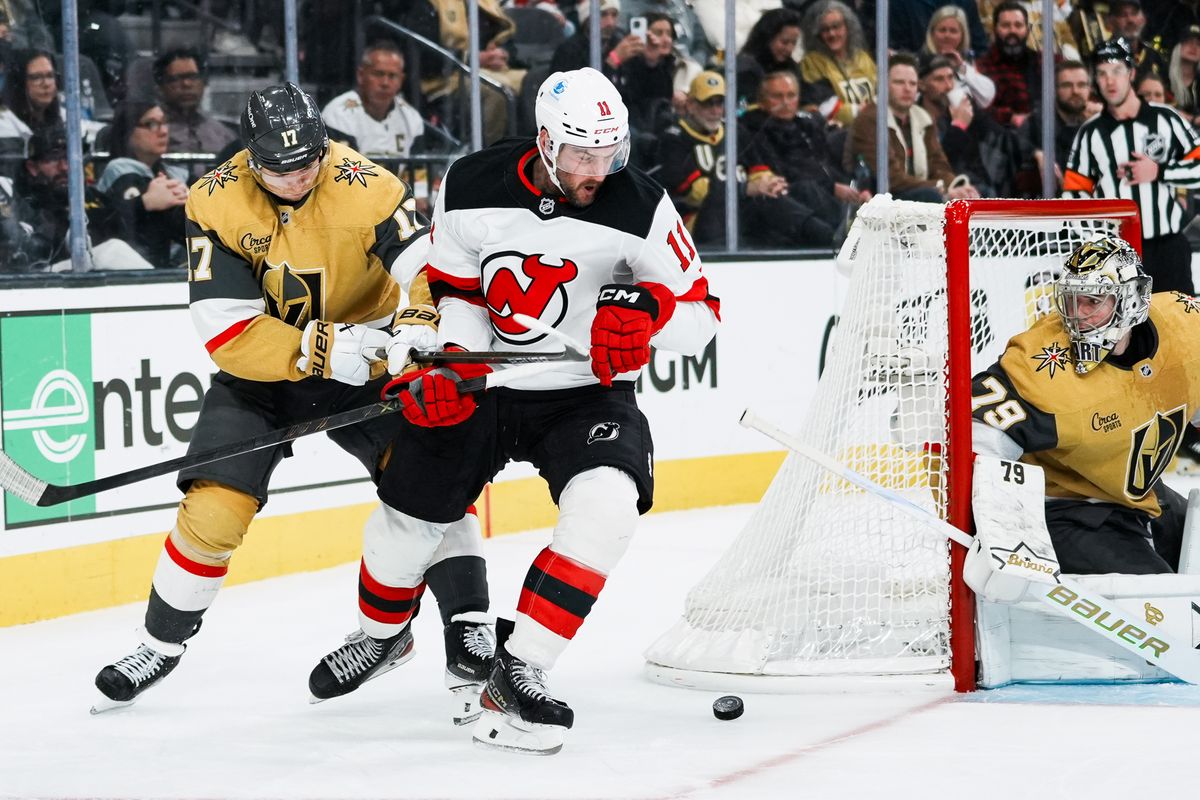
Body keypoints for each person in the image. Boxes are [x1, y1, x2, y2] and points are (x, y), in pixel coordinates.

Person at [91, 83, 495, 719]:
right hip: (267, 369)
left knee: (432, 481)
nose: (298, 177)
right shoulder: (215, 200)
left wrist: (418, 324)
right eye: (280, 168)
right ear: (251, 158)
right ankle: (158, 645)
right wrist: (323, 348)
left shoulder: (369, 186)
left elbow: (429, 268)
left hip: (372, 361)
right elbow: (227, 330)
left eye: (308, 161)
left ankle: (466, 624)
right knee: (214, 507)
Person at [355, 66, 719, 754]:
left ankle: (519, 668)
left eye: (610, 153)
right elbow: (457, 289)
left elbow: (702, 316)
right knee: (405, 527)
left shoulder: (642, 205)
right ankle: (382, 634)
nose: (598, 170)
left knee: (607, 507)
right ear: (546, 142)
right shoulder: (470, 183)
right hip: (488, 386)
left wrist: (648, 313)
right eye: (583, 154)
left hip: (586, 394)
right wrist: (454, 361)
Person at [970, 236, 1192, 575]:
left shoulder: (1185, 327)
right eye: (1072, 300)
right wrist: (1000, 534)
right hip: (1066, 510)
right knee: (1166, 599)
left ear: (1131, 299)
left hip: (1136, 495)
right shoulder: (1041, 368)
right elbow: (972, 439)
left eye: (1092, 301)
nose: (1077, 315)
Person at [1062, 38, 1200, 296]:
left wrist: (1160, 171)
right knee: (1126, 322)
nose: (1110, 81)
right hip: (1118, 256)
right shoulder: (1090, 133)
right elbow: (1073, 194)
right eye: (1102, 73)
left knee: (1180, 319)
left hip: (1168, 248)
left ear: (1131, 74)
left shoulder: (1166, 119)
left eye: (1116, 71)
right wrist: (1095, 237)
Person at [657, 70, 854, 249]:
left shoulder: (735, 131)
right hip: (697, 219)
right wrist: (746, 188)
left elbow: (759, 170)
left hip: (742, 208)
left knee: (799, 190)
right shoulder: (674, 138)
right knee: (761, 202)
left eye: (720, 103)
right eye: (708, 104)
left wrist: (769, 184)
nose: (715, 110)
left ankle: (841, 232)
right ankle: (830, 239)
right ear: (691, 105)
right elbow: (695, 193)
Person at [739, 70, 869, 245]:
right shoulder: (754, 129)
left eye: (791, 95)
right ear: (762, 101)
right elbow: (781, 171)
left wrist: (854, 190)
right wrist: (831, 187)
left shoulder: (807, 125)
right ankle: (844, 232)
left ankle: (857, 222)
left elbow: (827, 163)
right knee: (807, 189)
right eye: (777, 96)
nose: (785, 102)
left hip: (826, 193)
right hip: (789, 196)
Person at [321, 41, 441, 214]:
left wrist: (419, 200)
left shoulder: (411, 117)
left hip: (397, 203)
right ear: (361, 75)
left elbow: (418, 174)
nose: (385, 82)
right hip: (350, 202)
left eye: (392, 76)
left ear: (401, 80)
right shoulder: (337, 113)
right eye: (378, 74)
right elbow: (340, 175)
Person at [845, 53, 980, 203]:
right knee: (930, 196)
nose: (907, 89)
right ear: (883, 85)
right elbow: (891, 178)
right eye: (899, 82)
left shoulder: (922, 117)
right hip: (883, 199)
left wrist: (958, 187)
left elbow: (938, 164)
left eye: (912, 84)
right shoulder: (870, 119)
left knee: (976, 192)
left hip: (920, 191)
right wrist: (942, 188)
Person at [7, 124, 143, 272]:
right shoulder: (27, 202)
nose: (64, 167)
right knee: (112, 251)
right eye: (53, 158)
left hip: (101, 278)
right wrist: (141, 204)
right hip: (45, 277)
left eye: (71, 157)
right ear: (33, 167)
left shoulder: (93, 196)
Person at [95, 100, 189, 267]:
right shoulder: (119, 171)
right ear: (127, 132)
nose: (163, 131)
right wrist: (146, 202)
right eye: (151, 124)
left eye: (164, 122)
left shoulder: (176, 173)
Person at [917, 52, 1009, 197]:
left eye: (950, 78)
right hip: (937, 187)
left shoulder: (961, 107)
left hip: (971, 182)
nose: (948, 86)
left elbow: (998, 134)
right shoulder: (916, 117)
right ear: (922, 85)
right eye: (939, 79)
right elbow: (938, 162)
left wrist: (1036, 152)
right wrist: (958, 126)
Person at [1014, 60, 1099, 196]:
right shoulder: (1039, 122)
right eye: (1067, 85)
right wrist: (1037, 154)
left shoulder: (1096, 123)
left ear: (1090, 89)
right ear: (1054, 90)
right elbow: (1015, 146)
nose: (1075, 91)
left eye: (1081, 85)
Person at [798, 0, 877, 127]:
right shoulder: (811, 63)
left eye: (836, 26)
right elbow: (823, 105)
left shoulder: (863, 58)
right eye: (825, 29)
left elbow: (880, 91)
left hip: (871, 128)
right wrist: (859, 111)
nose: (832, 34)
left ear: (848, 27)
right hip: (838, 133)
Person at [153, 47, 237, 161]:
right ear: (160, 88)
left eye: (193, 77)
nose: (186, 84)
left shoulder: (223, 134)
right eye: (176, 78)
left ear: (204, 83)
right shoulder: (151, 132)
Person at [976, 1, 1050, 129]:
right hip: (1003, 133)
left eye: (1018, 25)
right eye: (1006, 25)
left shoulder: (1044, 61)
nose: (1012, 31)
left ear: (1027, 29)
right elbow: (978, 108)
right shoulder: (982, 67)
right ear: (995, 29)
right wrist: (1010, 117)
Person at [919, 4, 995, 109]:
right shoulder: (919, 62)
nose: (947, 35)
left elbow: (986, 97)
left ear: (962, 35)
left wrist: (961, 67)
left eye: (953, 31)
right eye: (942, 30)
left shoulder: (966, 63)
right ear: (932, 33)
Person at [735, 8, 803, 109]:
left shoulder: (791, 68)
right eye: (784, 42)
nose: (789, 49)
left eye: (793, 43)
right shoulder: (745, 69)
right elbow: (742, 108)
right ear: (767, 38)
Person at [1104, 0, 1166, 81]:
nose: (1130, 20)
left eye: (1134, 13)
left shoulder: (1154, 56)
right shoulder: (1102, 57)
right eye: (1123, 15)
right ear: (1110, 22)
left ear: (1143, 19)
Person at [1167, 26, 1200, 123]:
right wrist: (1191, 118)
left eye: (1198, 44)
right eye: (1188, 42)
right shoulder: (1162, 75)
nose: (1194, 47)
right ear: (1177, 46)